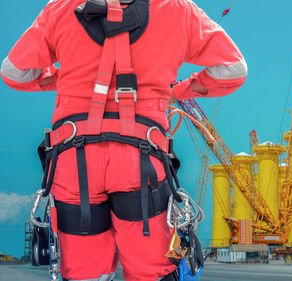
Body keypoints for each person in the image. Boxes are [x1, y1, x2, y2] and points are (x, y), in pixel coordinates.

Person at [1, 0, 247, 280]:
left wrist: (62, 79)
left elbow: (14, 72)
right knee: (151, 271)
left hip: (75, 163)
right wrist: (178, 91)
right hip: (141, 162)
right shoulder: (179, 9)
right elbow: (234, 69)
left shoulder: (60, 7)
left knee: (84, 272)